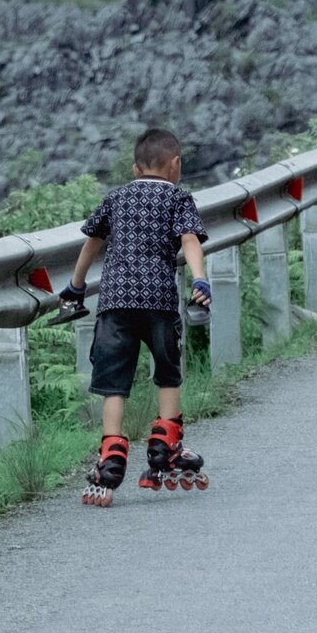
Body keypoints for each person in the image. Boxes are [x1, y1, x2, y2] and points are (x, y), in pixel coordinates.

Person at [57, 128, 212, 506]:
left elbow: (91, 243)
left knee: (113, 380)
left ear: (134, 166)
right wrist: (200, 279)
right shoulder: (178, 198)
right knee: (167, 370)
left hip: (115, 303)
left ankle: (111, 454)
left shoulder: (115, 197)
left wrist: (75, 286)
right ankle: (165, 444)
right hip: (158, 300)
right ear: (175, 165)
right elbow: (190, 240)